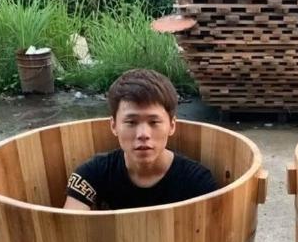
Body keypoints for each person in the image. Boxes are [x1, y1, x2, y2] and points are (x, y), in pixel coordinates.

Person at [63, 69, 218, 210]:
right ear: (114, 126)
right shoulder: (92, 174)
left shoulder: (198, 182)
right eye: (131, 122)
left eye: (154, 122)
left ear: (172, 126)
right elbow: (72, 224)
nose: (143, 134)